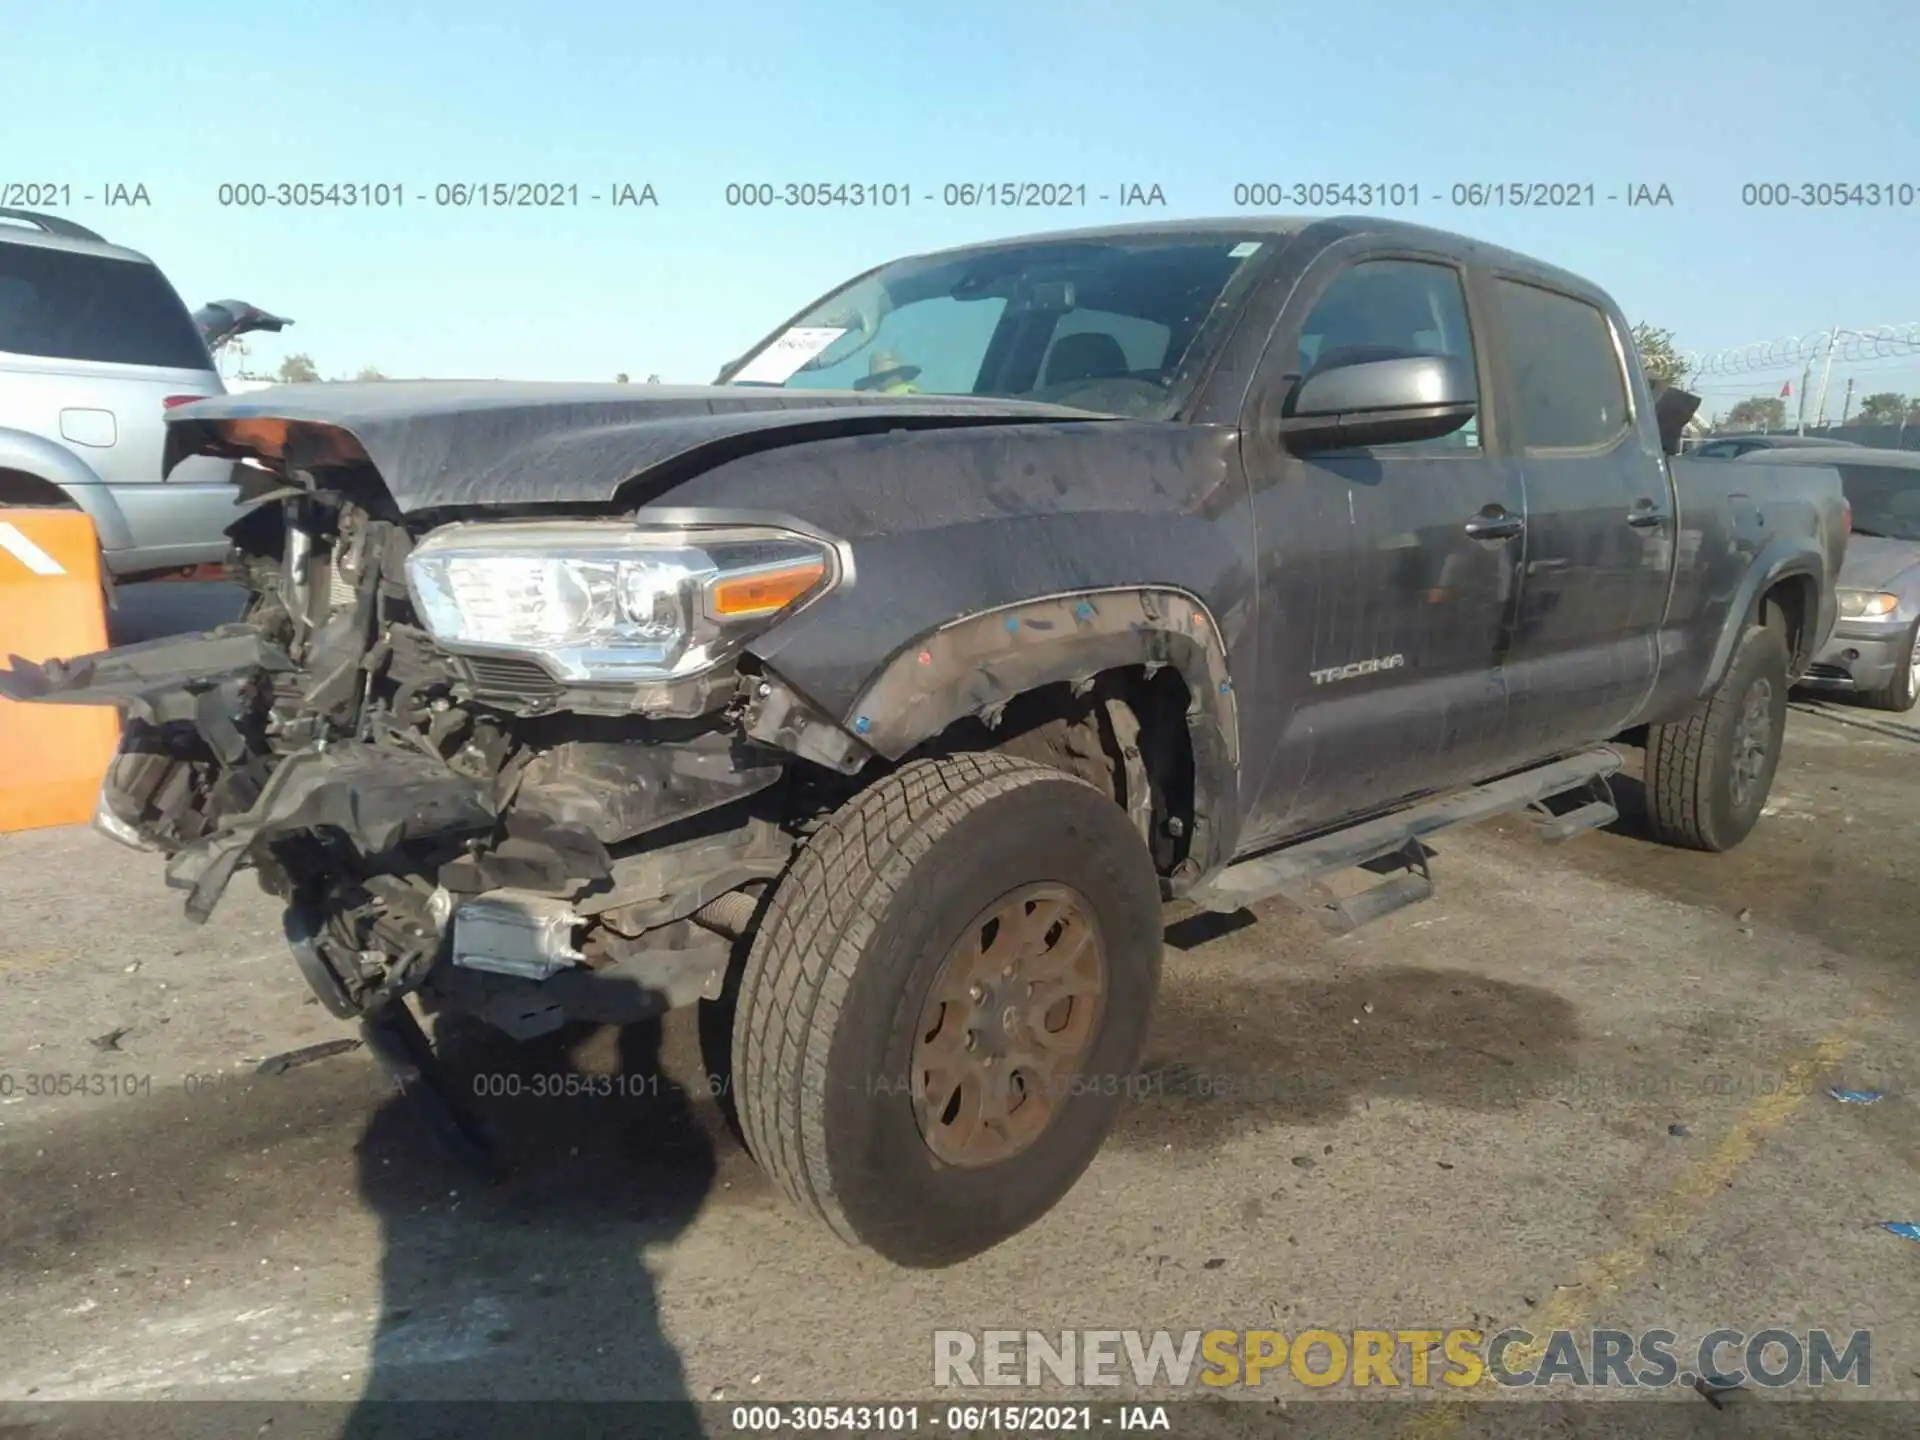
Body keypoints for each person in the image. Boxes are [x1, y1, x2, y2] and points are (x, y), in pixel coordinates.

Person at [852, 349, 921, 395]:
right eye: (883, 377)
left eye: (894, 374)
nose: (890, 380)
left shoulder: (912, 393)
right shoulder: (873, 402)